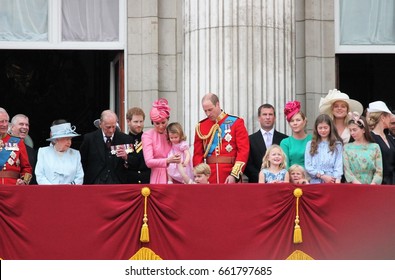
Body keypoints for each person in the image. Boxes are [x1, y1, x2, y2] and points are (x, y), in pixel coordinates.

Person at [193, 93, 250, 184]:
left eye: (210, 110)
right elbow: (197, 155)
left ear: (218, 104)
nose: (208, 114)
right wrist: (200, 176)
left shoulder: (236, 122)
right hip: (209, 176)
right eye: (205, 111)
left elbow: (243, 151)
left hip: (229, 173)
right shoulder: (201, 127)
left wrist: (234, 175)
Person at [79, 109, 133, 184]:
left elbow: (134, 164)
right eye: (108, 127)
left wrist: (126, 158)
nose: (111, 130)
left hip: (118, 183)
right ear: (100, 124)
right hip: (95, 183)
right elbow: (82, 162)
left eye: (113, 127)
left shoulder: (126, 139)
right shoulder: (89, 139)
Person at [245, 104, 288, 183]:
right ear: (259, 118)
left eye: (270, 114)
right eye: (264, 114)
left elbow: (286, 161)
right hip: (256, 184)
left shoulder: (284, 139)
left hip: (280, 184)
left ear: (274, 118)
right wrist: (263, 177)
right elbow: (247, 164)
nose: (267, 117)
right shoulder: (249, 139)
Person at [142, 98, 181, 184]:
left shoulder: (172, 133)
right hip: (158, 176)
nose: (161, 126)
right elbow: (148, 162)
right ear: (152, 122)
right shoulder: (147, 135)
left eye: (163, 122)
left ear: (168, 119)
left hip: (175, 173)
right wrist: (167, 160)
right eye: (157, 123)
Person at [343, 112, 382, 184]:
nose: (352, 133)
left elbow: (379, 171)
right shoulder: (346, 147)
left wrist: (373, 184)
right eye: (350, 130)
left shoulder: (375, 147)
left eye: (354, 130)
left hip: (371, 186)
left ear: (363, 130)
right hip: (352, 186)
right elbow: (347, 170)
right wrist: (358, 184)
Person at [304, 114, 343, 184]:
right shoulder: (310, 144)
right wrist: (322, 176)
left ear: (330, 128)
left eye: (325, 128)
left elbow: (338, 165)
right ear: (316, 129)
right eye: (320, 128)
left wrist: (336, 180)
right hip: (315, 182)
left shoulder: (337, 145)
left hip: (331, 181)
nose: (323, 130)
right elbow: (308, 166)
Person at [0, 108, 32, 185]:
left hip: (13, 187)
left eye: (6, 121)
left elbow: (27, 168)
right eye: (1, 121)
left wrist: (24, 181)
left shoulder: (17, 142)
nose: (4, 124)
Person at [366, 101, 395, 185]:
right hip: (379, 184)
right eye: (389, 116)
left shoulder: (390, 138)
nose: (390, 119)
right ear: (383, 117)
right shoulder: (370, 138)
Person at [280, 100, 312, 168]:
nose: (295, 123)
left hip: (311, 177)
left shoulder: (312, 139)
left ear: (304, 121)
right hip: (292, 176)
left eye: (298, 120)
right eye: (292, 121)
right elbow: (285, 166)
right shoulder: (285, 142)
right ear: (289, 124)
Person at [9, 114, 37, 185]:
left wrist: (24, 181)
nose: (25, 127)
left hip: (21, 190)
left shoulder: (31, 151)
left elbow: (28, 170)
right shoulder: (3, 144)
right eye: (21, 124)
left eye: (27, 125)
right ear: (12, 127)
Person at [125, 107, 151, 184]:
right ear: (128, 121)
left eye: (141, 121)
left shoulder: (148, 139)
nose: (139, 125)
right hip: (129, 182)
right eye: (136, 122)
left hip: (147, 181)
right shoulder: (124, 140)